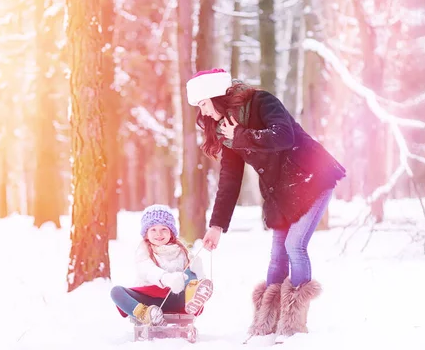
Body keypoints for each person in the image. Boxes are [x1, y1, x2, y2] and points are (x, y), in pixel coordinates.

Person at [186, 68, 346, 340]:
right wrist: (216, 225)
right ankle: (266, 323)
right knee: (276, 257)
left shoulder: (262, 102)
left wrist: (243, 136)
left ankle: (293, 325)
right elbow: (229, 180)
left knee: (295, 245)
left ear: (215, 95)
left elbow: (283, 136)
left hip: (312, 178)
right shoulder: (227, 130)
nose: (204, 113)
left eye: (203, 104)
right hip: (280, 193)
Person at [110, 204, 214, 326]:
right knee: (116, 292)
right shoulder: (143, 251)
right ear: (146, 233)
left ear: (171, 232)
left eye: (164, 229)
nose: (158, 234)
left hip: (175, 299)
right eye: (153, 230)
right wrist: (166, 278)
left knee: (190, 272)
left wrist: (198, 271)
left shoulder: (182, 251)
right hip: (148, 299)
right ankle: (145, 314)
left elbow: (190, 277)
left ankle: (192, 299)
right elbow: (148, 270)